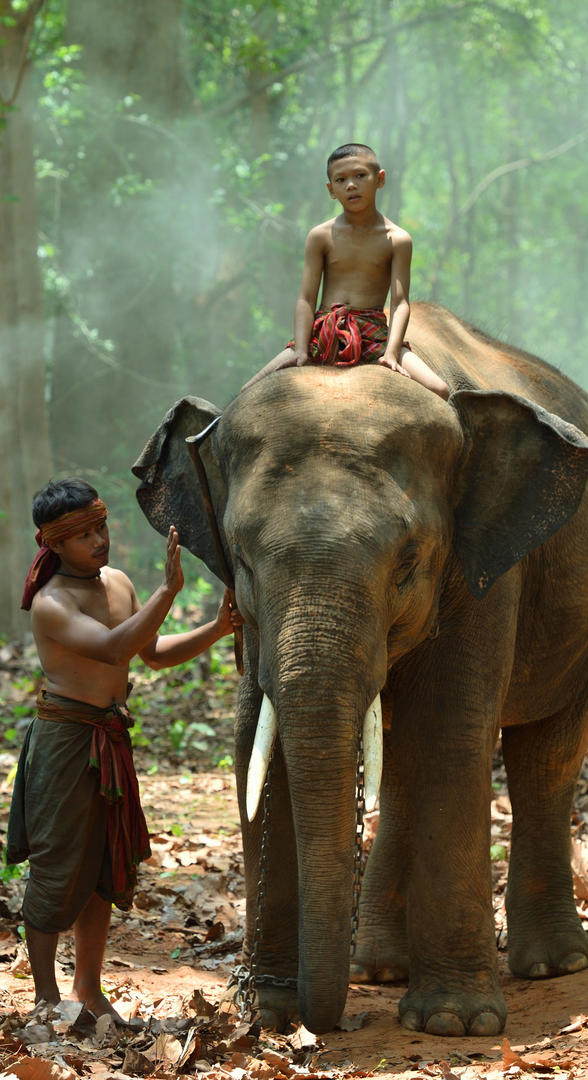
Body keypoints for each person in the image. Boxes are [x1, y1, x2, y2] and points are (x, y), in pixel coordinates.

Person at [6, 477, 242, 1021]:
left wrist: (216, 628)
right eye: (84, 534)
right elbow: (115, 649)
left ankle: (88, 989)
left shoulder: (117, 582)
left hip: (110, 737)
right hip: (66, 741)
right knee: (56, 867)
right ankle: (45, 1002)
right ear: (54, 544)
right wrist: (168, 591)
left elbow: (152, 653)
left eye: (101, 526)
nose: (99, 540)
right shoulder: (51, 602)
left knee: (102, 867)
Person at [243, 142, 449, 398]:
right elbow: (306, 298)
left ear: (380, 179)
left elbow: (400, 302)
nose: (351, 185)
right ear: (331, 190)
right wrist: (301, 348)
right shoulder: (320, 236)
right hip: (323, 332)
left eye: (360, 176)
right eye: (341, 180)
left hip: (374, 336)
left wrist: (392, 352)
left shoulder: (398, 239)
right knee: (247, 392)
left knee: (439, 389)